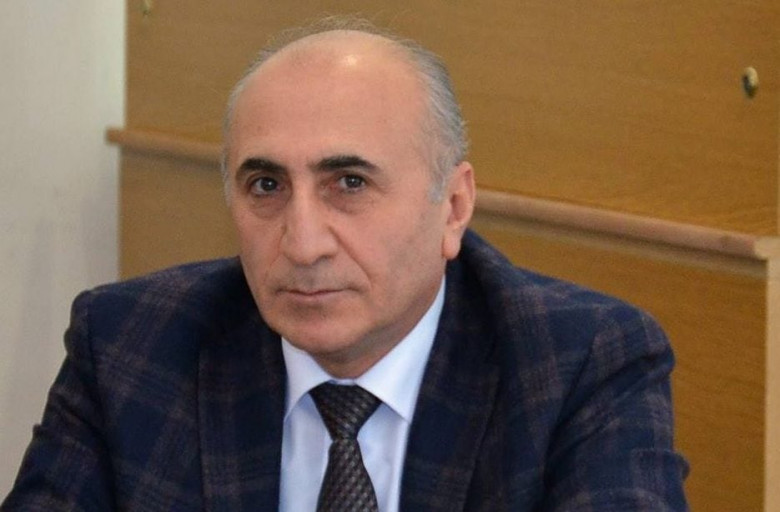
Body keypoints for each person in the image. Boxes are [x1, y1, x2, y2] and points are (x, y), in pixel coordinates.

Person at [2, 17, 688, 512]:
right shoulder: (127, 344)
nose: (303, 244)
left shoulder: (580, 365)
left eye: (349, 184)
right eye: (266, 185)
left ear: (453, 207)